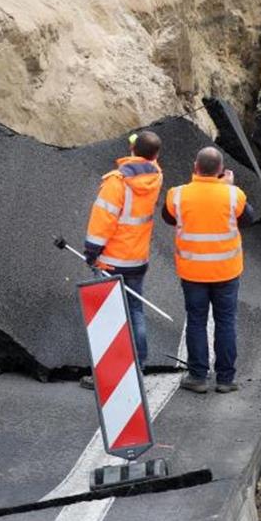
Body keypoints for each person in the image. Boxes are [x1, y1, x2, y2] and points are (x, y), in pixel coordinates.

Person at [161, 147, 256, 394]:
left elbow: (168, 218)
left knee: (196, 321)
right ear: (221, 171)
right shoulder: (234, 195)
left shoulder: (178, 195)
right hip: (226, 272)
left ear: (195, 167)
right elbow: (248, 219)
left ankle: (198, 376)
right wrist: (227, 186)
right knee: (225, 322)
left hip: (193, 273)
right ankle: (225, 379)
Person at [83, 130, 163, 365]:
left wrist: (91, 251)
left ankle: (111, 369)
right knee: (135, 310)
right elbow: (149, 157)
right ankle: (138, 362)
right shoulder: (156, 176)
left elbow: (103, 222)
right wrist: (139, 147)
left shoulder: (116, 182)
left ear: (132, 150)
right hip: (137, 259)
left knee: (108, 315)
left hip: (111, 260)